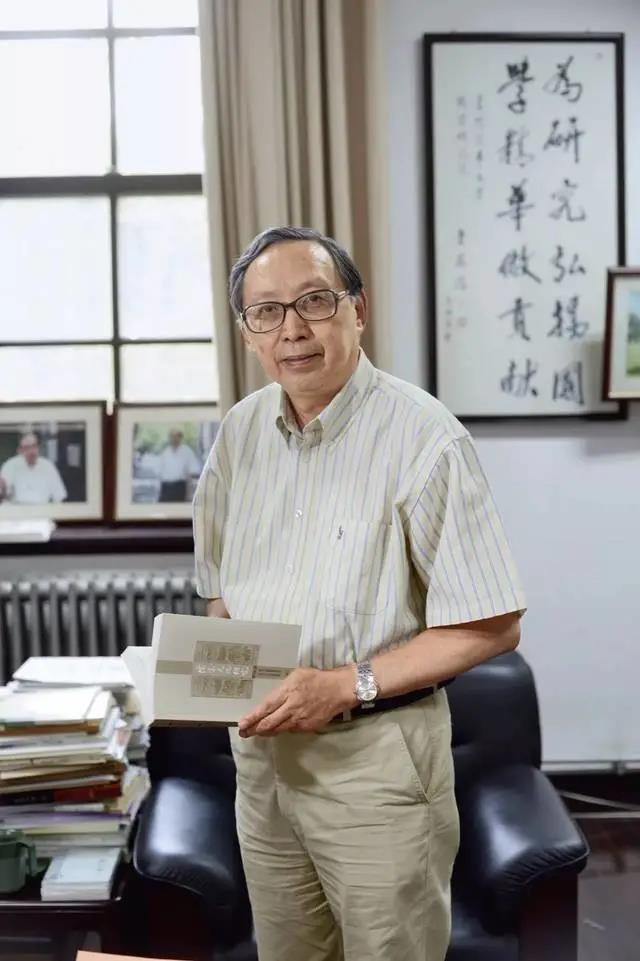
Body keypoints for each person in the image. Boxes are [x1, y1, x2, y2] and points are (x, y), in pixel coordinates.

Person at [192, 226, 527, 961]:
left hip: (377, 764)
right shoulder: (240, 435)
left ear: (358, 309)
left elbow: (494, 624)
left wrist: (345, 684)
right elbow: (219, 591)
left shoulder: (424, 437)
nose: (292, 329)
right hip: (264, 763)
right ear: (247, 333)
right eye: (267, 311)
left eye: (314, 301)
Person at [0, 432, 67, 505]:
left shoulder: (48, 466)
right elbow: (3, 497)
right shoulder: (10, 466)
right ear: (19, 450)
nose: (31, 451)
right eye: (26, 448)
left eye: (34, 446)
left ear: (38, 448)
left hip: (43, 510)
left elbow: (59, 497)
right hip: (17, 510)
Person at [156, 429, 201, 502]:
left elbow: (194, 470)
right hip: (165, 487)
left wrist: (189, 492)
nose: (174, 439)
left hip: (179, 487)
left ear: (180, 438)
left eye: (176, 436)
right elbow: (160, 473)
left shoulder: (187, 451)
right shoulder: (165, 452)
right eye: (172, 436)